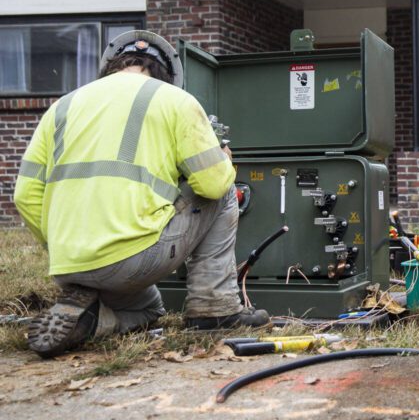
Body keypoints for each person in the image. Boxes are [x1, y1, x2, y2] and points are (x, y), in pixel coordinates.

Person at [14, 30, 269, 358]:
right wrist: (223, 163)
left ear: (112, 65)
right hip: (129, 262)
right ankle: (214, 308)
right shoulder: (175, 100)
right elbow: (212, 185)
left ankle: (92, 320)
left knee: (150, 310)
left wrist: (63, 245)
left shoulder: (61, 107)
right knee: (224, 193)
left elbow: (25, 195)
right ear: (167, 74)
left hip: (68, 265)